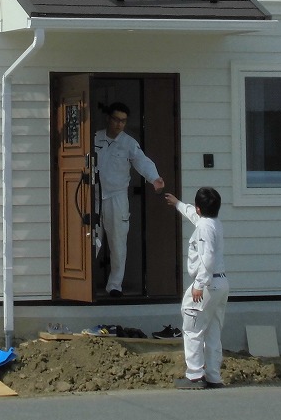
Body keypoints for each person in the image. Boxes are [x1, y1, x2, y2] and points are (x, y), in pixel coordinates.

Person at [93, 102, 164, 298]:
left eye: (123, 121)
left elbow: (143, 162)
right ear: (108, 119)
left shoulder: (129, 143)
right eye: (116, 120)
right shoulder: (95, 138)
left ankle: (115, 285)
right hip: (94, 196)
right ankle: (84, 283)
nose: (119, 124)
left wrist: (155, 178)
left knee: (117, 242)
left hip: (117, 197)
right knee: (91, 241)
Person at [164, 186, 229, 389]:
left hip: (207, 284)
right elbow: (194, 216)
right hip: (221, 283)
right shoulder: (213, 223)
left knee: (192, 328)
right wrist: (178, 204)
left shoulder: (204, 229)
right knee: (212, 332)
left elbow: (207, 257)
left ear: (199, 208)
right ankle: (213, 377)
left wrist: (199, 284)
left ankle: (194, 376)